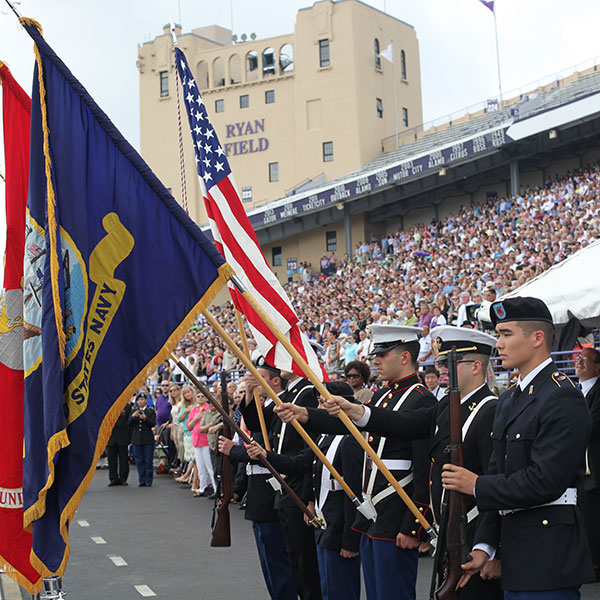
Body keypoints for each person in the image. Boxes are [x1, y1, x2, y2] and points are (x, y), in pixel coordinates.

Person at [321, 325, 503, 599]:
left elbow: (493, 482)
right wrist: (358, 411)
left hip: (473, 531)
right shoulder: (445, 407)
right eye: (441, 363)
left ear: (476, 366)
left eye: (449, 363)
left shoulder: (489, 409)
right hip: (449, 532)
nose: (440, 370)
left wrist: (490, 547)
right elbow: (405, 424)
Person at [442, 297, 595, 598]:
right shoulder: (510, 399)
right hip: (513, 555)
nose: (498, 344)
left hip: (548, 554)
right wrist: (484, 547)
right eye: (498, 334)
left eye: (506, 334)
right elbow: (499, 472)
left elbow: (546, 479)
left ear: (537, 338)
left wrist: (477, 486)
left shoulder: (562, 396)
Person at [274, 325, 436, 600]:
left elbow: (423, 470)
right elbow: (352, 425)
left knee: (393, 594)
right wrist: (305, 414)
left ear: (405, 357)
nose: (375, 360)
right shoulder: (384, 396)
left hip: (397, 513)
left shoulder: (422, 399)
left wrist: (414, 525)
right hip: (373, 514)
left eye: (383, 355)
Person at [248, 381, 363, 600]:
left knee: (342, 590)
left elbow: (353, 492)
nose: (318, 407)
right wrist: (265, 455)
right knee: (325, 586)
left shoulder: (352, 438)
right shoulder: (322, 436)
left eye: (322, 402)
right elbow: (302, 465)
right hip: (324, 522)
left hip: (340, 524)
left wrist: (351, 540)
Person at [242, 356, 322, 600]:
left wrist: (309, 495)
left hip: (299, 481)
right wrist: (250, 390)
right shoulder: (287, 395)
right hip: (286, 485)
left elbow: (311, 452)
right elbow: (257, 422)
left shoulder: (308, 393)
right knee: (294, 558)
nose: (280, 362)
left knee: (305, 562)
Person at [219, 390, 297, 600]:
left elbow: (262, 454)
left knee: (276, 557)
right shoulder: (257, 422)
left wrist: (233, 450)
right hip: (256, 493)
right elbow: (249, 466)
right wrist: (236, 489)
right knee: (267, 559)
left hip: (268, 494)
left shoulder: (270, 419)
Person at [576, 347, 600, 581]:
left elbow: (591, 424)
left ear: (597, 366)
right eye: (577, 358)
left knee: (593, 518)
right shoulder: (575, 391)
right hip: (578, 469)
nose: (578, 362)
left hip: (595, 467)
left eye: (584, 359)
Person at [129, 392, 156, 487]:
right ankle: (142, 480)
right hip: (137, 439)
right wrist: (133, 417)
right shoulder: (134, 411)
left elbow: (153, 423)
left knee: (148, 460)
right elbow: (129, 424)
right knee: (139, 460)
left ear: (146, 401)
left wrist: (145, 418)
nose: (140, 401)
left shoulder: (150, 411)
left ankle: (148, 480)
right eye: (139, 400)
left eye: (142, 399)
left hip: (147, 439)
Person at [107, 401, 132, 486]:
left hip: (123, 435)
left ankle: (123, 478)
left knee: (124, 459)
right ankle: (113, 478)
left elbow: (129, 422)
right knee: (111, 459)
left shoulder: (127, 407)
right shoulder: (108, 405)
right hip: (111, 436)